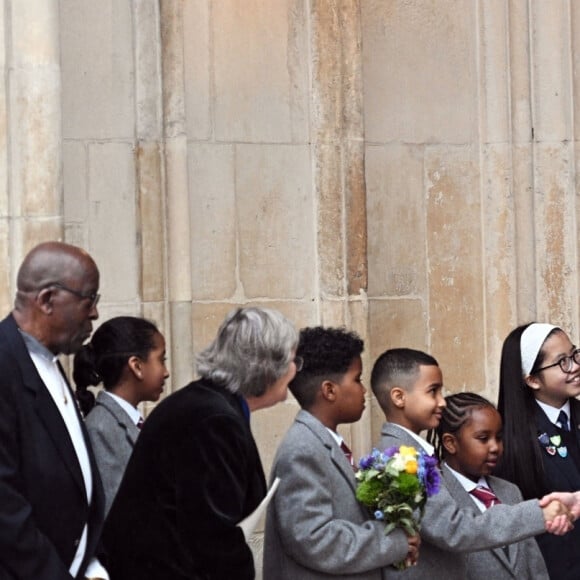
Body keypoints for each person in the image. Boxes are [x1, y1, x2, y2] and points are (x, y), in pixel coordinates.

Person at [103, 306, 299, 580]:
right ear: (268, 367)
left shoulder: (208, 405)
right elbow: (213, 539)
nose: (295, 370)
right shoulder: (213, 419)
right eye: (293, 360)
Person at [372, 347, 572, 580]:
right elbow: (453, 529)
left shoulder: (411, 454)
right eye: (433, 392)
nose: (442, 402)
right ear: (399, 397)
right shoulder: (398, 458)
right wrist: (540, 513)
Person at [263, 327, 420, 580]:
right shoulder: (303, 449)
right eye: (357, 379)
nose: (363, 391)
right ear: (329, 390)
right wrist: (393, 542)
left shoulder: (323, 442)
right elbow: (314, 539)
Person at [0, 241, 107, 579]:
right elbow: (4, 506)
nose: (94, 313)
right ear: (47, 300)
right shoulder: (4, 364)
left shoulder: (50, 360)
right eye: (89, 299)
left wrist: (92, 563)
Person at [431, 392, 549, 579]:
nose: (495, 447)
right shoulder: (438, 496)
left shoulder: (509, 491)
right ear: (451, 443)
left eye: (499, 438)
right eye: (483, 438)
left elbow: (534, 564)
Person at [496, 322, 580, 579]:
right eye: (562, 362)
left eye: (574, 354)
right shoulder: (511, 439)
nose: (575, 366)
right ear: (532, 379)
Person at [73, 316, 170, 514]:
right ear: (137, 366)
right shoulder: (100, 428)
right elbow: (115, 515)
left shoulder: (128, 422)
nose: (166, 372)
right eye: (161, 360)